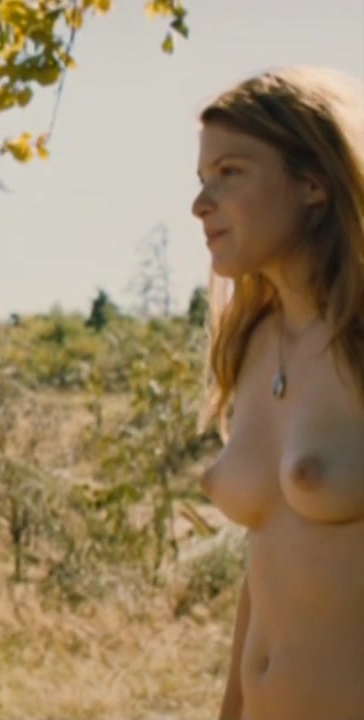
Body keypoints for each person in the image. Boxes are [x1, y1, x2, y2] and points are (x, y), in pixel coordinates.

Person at [194, 65, 364, 720]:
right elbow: (269, 571)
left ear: (313, 182)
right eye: (202, 177)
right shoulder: (256, 344)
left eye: (229, 172)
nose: (201, 203)